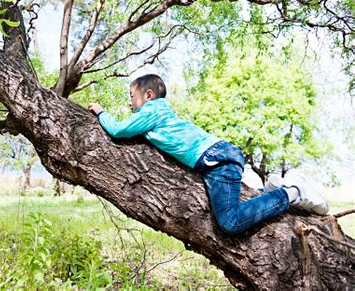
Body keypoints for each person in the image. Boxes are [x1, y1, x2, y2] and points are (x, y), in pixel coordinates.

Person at [88, 74, 328, 235]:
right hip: (218, 155)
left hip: (217, 160)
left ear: (148, 95)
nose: (130, 103)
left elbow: (119, 131)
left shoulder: (151, 110)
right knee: (233, 209)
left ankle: (292, 192)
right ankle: (270, 191)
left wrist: (101, 112)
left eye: (132, 96)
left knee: (230, 222)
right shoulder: (159, 115)